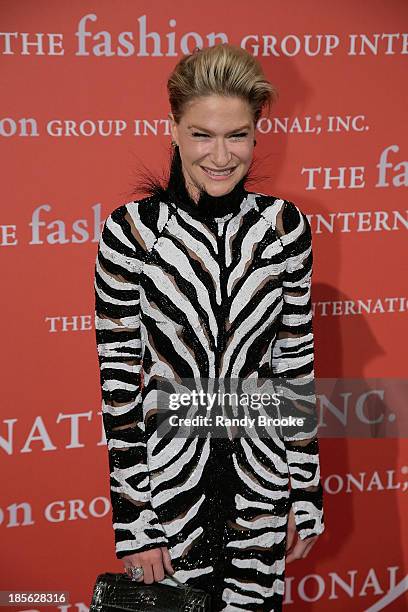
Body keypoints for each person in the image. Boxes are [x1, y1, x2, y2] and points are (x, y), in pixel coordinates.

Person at [94, 43, 325, 612]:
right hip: (168, 487)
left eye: (237, 135)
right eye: (202, 134)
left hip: (261, 485)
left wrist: (306, 490)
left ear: (256, 133)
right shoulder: (132, 235)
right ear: (172, 128)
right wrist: (134, 518)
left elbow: (294, 366)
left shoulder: (283, 228)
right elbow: (119, 382)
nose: (220, 155)